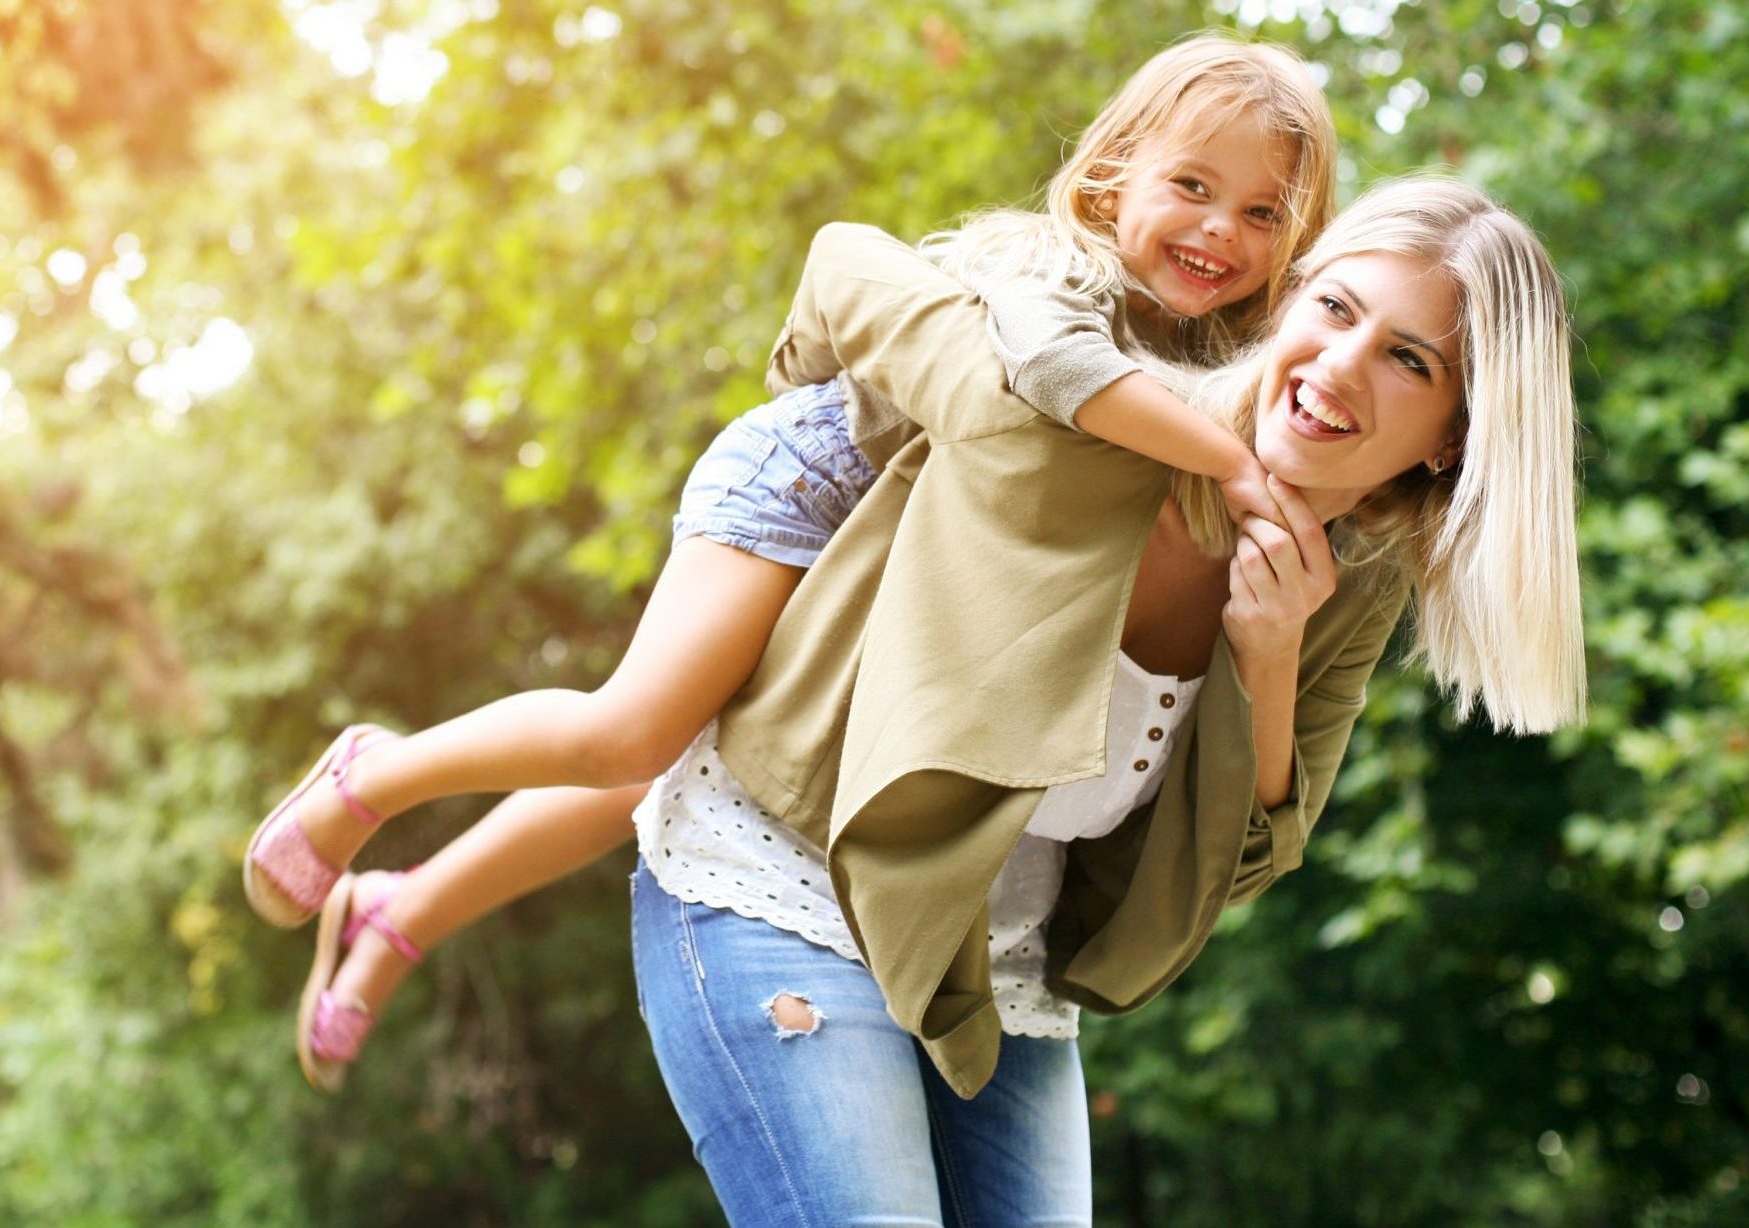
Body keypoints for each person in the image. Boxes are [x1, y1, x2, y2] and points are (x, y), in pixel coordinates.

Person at [246, 33, 1344, 1091]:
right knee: (637, 730)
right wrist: (1232, 467)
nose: (1220, 231)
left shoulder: (1234, 360)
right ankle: (370, 775)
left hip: (914, 554)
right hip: (820, 484)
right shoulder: (1051, 271)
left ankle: (403, 910)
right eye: (1192, 187)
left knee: (664, 775)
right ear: (1110, 180)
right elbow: (1054, 374)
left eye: (1261, 215)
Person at [631, 173, 1587, 1225]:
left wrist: (1267, 659)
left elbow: (1243, 865)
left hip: (994, 977)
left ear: (1455, 433)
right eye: (1335, 308)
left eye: (1409, 360)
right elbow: (852, 274)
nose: (1338, 367)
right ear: (1293, 298)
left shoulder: (1351, 583)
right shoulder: (1099, 409)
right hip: (788, 878)